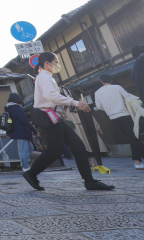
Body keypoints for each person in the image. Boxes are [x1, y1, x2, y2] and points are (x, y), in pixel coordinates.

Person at [22, 52, 114, 191]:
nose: (57, 64)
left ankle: (89, 181)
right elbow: (51, 95)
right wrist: (75, 102)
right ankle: (31, 173)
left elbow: (51, 96)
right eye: (56, 61)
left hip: (52, 116)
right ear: (47, 63)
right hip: (47, 115)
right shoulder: (45, 77)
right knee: (55, 150)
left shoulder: (44, 77)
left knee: (78, 147)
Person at [94, 73, 144, 169]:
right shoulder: (117, 87)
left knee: (133, 137)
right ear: (111, 80)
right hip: (125, 115)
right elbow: (128, 98)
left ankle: (139, 160)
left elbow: (99, 107)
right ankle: (137, 162)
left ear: (101, 81)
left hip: (113, 118)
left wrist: (109, 109)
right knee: (134, 138)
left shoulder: (97, 92)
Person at [4, 93, 38, 172]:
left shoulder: (8, 108)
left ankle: (24, 163)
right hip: (21, 131)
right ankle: (25, 167)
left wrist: (8, 133)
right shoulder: (17, 108)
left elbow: (8, 121)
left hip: (15, 131)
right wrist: (35, 131)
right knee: (24, 150)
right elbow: (25, 121)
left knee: (30, 148)